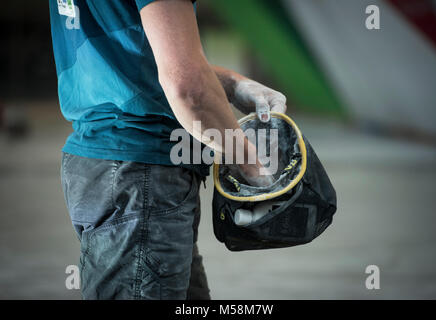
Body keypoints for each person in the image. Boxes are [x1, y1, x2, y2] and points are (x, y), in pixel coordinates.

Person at [50, 0, 286, 300]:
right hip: (142, 175)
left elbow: (133, 51)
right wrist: (255, 170)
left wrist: (231, 82)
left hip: (106, 162)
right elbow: (188, 87)